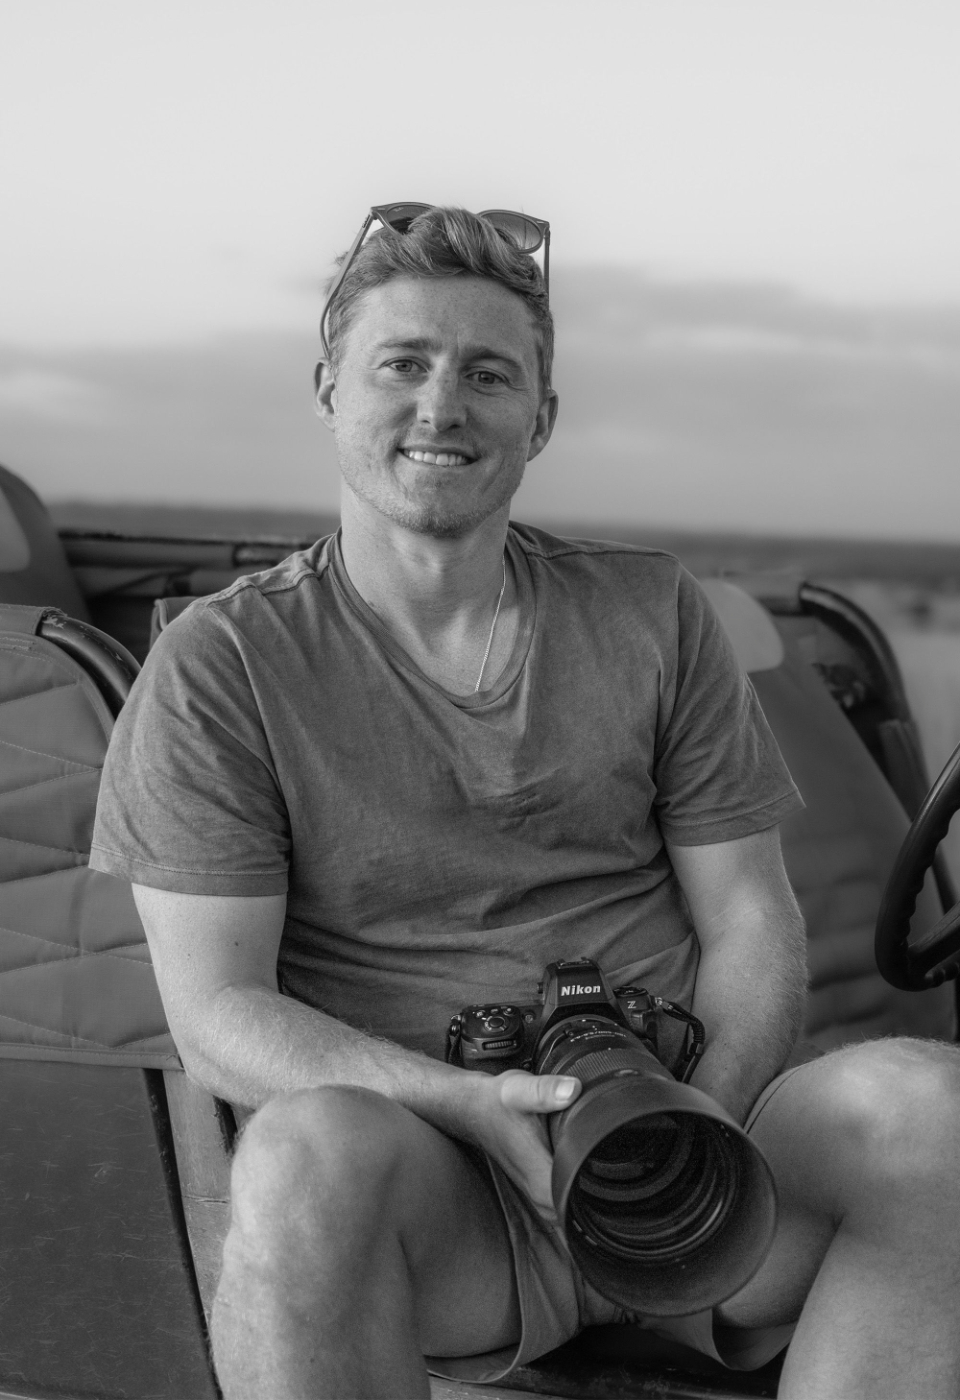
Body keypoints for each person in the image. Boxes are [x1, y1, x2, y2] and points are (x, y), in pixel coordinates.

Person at [90, 206, 960, 1400]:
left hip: (699, 1168)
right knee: (301, 1158)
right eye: (402, 365)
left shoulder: (652, 611)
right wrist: (468, 1103)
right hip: (455, 1191)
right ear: (329, 390)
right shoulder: (222, 663)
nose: (442, 407)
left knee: (928, 1108)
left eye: (488, 375)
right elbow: (217, 1014)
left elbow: (753, 918)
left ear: (540, 419)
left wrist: (690, 1122)